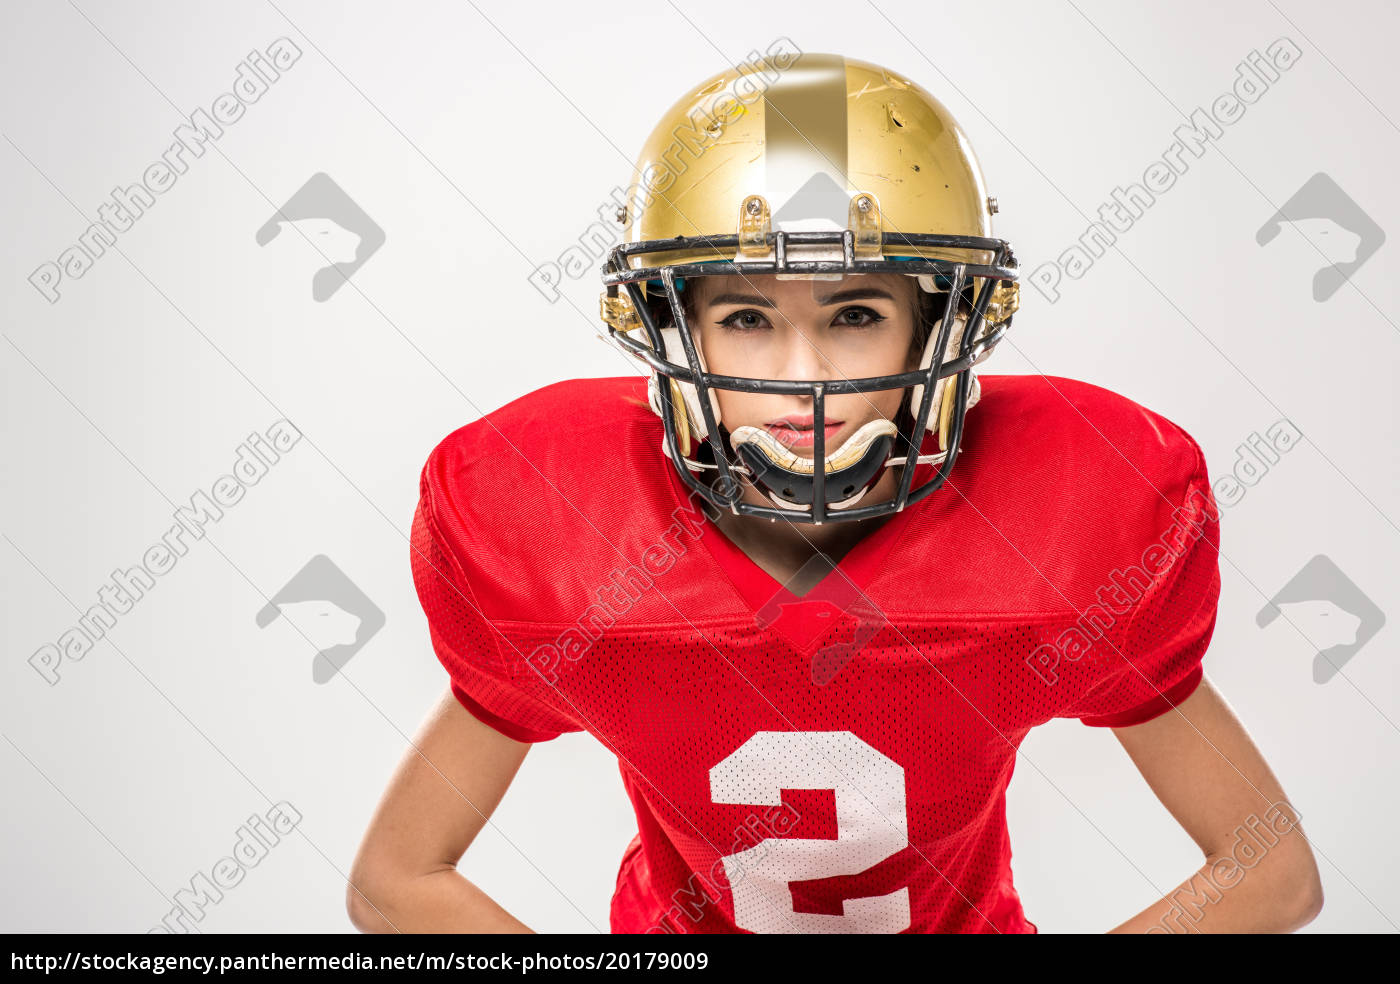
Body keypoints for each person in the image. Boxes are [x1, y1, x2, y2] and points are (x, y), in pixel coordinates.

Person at [347, 52, 1322, 934]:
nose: (799, 374)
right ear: (672, 327)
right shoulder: (555, 528)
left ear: (937, 326)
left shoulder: (1069, 527)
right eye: (744, 317)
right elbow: (395, 880)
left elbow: (1268, 872)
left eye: (854, 313)